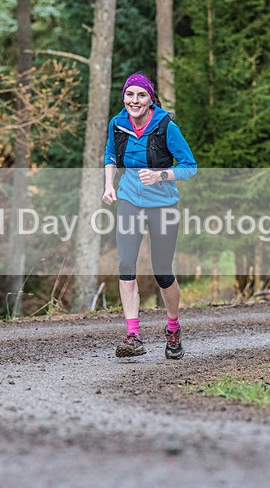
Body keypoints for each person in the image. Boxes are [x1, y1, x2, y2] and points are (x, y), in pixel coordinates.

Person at [102, 72, 197, 359]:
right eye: (130, 95)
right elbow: (110, 155)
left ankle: (173, 328)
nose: (135, 100)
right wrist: (108, 185)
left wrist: (160, 175)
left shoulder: (166, 127)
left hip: (163, 205)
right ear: (124, 98)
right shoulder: (117, 124)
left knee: (162, 270)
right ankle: (133, 336)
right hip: (130, 201)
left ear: (150, 98)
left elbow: (190, 166)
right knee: (126, 265)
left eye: (141, 95)